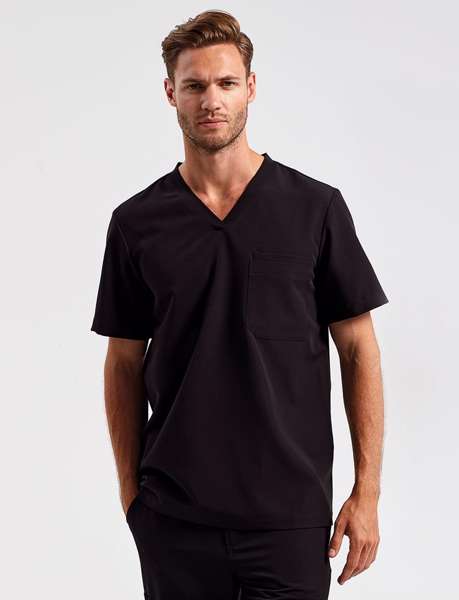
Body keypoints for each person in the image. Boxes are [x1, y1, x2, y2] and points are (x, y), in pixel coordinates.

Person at [90, 9, 389, 600]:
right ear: (170, 93)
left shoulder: (315, 209)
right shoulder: (136, 223)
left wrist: (368, 492)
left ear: (250, 87)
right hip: (175, 520)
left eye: (226, 83)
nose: (211, 100)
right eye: (195, 85)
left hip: (290, 519)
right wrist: (132, 498)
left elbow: (359, 349)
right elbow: (123, 362)